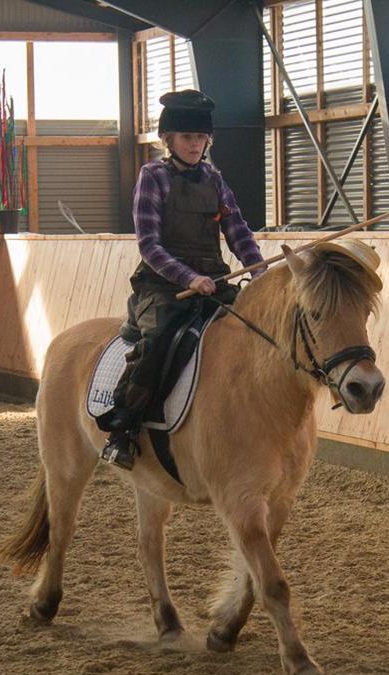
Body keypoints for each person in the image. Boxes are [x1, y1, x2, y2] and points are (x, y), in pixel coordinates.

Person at [98, 89, 267, 470]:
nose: (194, 145)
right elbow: (150, 246)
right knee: (157, 341)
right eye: (187, 138)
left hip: (214, 282)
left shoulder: (215, 180)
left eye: (200, 138)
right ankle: (123, 428)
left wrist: (260, 272)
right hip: (161, 287)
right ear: (169, 140)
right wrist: (189, 277)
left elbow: (238, 232)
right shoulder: (152, 177)